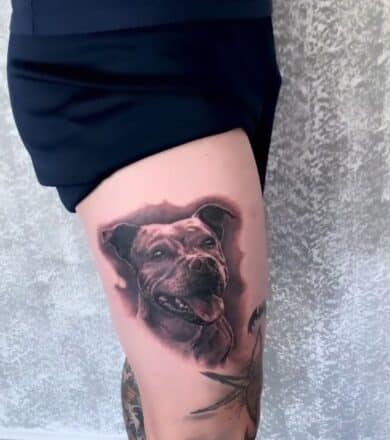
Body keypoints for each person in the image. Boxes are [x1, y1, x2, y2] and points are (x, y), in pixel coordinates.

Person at [6, 1, 282, 438]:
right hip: (125, 57)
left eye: (205, 243)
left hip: (234, 36)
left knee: (169, 383)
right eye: (160, 253)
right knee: (210, 419)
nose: (197, 259)